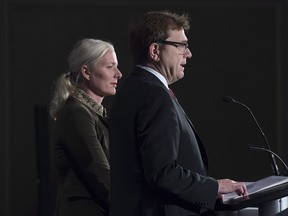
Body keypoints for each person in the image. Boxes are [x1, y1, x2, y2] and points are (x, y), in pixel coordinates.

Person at [109, 11, 247, 216]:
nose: (188, 53)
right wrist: (213, 187)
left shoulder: (130, 89)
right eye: (181, 45)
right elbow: (163, 173)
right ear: (155, 50)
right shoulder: (154, 96)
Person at [49, 38, 122, 216]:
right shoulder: (76, 113)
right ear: (86, 72)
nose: (118, 74)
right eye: (110, 67)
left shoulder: (91, 113)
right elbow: (100, 174)